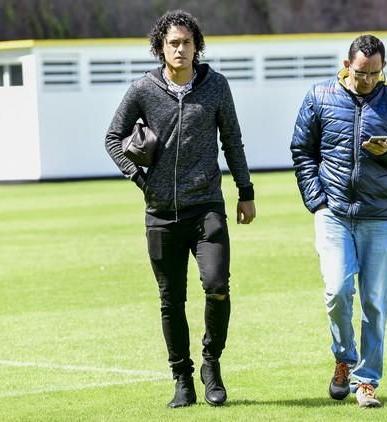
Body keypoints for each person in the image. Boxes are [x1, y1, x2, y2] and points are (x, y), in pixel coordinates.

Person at [105, 10, 256, 408]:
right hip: (161, 214)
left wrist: (246, 191)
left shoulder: (216, 86)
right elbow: (113, 138)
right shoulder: (143, 90)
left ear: (196, 46)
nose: (180, 49)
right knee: (171, 301)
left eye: (187, 42)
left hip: (207, 207)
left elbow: (233, 141)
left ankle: (211, 364)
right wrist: (140, 180)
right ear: (161, 47)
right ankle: (182, 379)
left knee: (217, 285)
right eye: (173, 43)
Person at [290, 34, 387, 408]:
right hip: (333, 213)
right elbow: (301, 150)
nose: (367, 80)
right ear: (348, 64)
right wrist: (316, 201)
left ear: (383, 69)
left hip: (380, 216)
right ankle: (344, 357)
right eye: (362, 72)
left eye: (375, 73)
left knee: (374, 303)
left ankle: (366, 381)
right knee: (337, 292)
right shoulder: (319, 96)